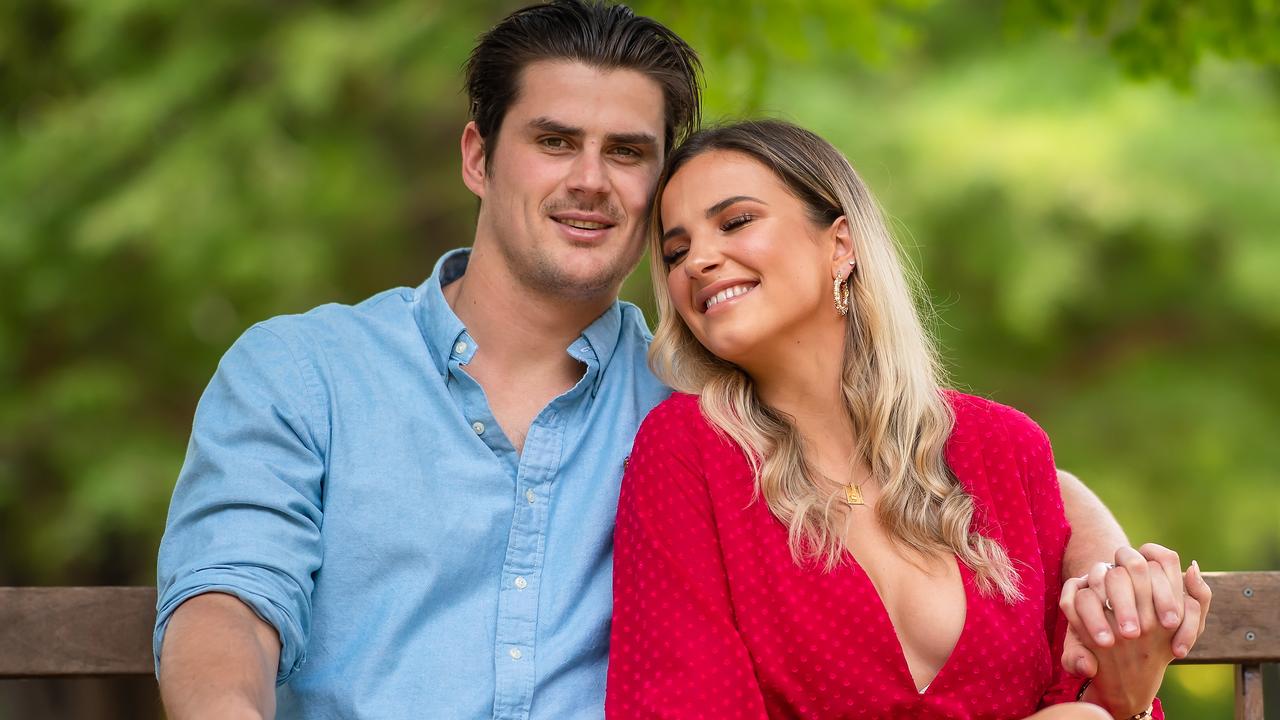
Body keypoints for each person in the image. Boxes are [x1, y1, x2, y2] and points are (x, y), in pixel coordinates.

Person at [153, 2, 1199, 718]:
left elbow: (937, 466)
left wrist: (1102, 562)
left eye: (627, 154)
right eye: (554, 141)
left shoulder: (708, 403)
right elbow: (226, 600)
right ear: (477, 155)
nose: (589, 181)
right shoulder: (305, 371)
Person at [606, 120, 1211, 719]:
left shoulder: (1004, 447)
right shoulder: (683, 452)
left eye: (735, 222)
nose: (698, 262)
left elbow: (1088, 703)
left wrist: (1122, 694)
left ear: (840, 245)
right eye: (676, 251)